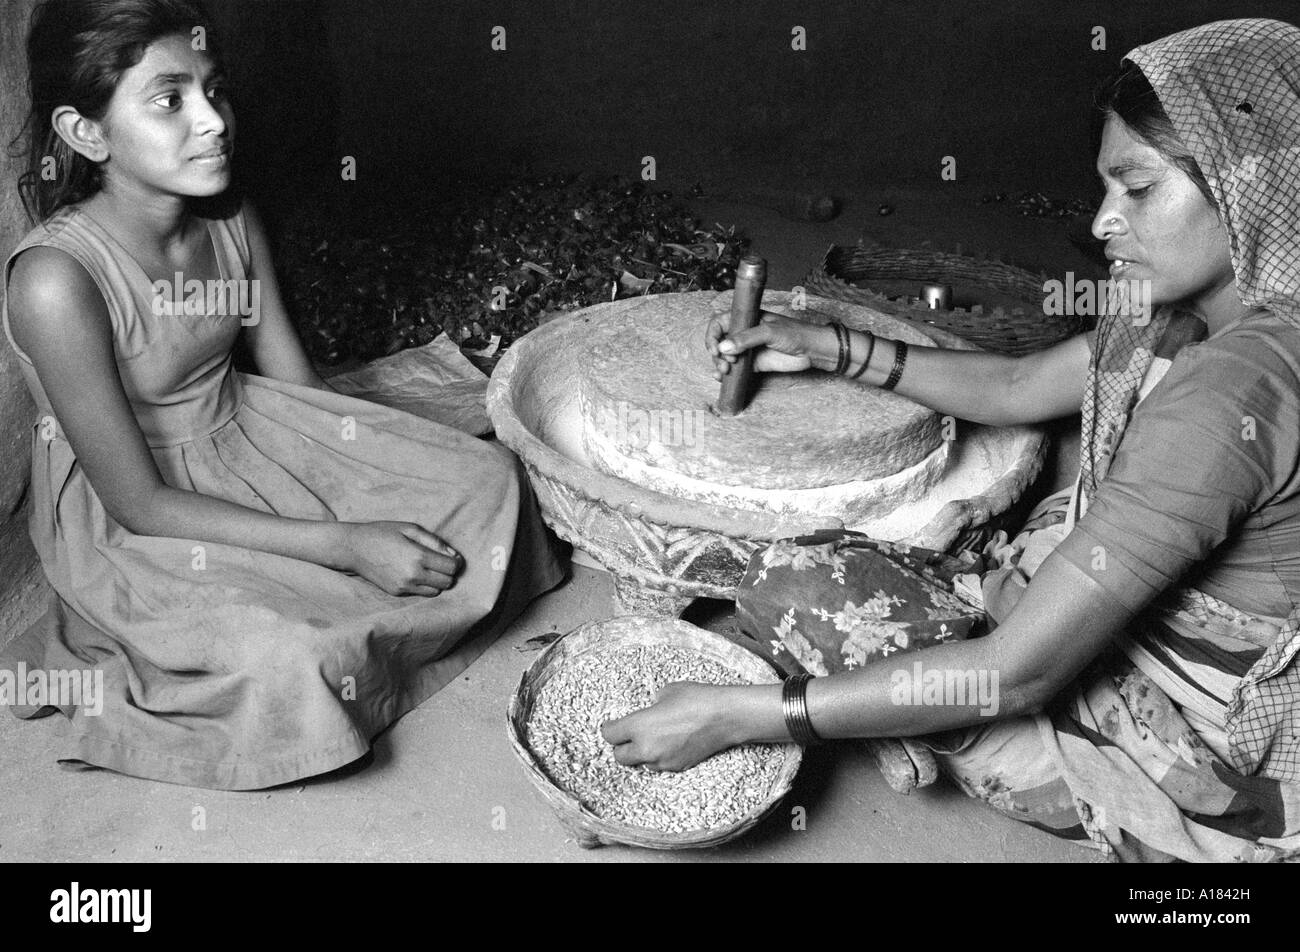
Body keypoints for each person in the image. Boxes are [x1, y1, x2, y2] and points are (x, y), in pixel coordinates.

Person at [603, 17, 1300, 862]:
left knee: (808, 592)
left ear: (1252, 187)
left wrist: (751, 714)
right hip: (1113, 620)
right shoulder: (1194, 311)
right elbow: (1014, 389)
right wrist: (827, 346)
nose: (1105, 222)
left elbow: (1016, 673)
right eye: (1107, 189)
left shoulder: (1237, 389)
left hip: (1195, 730)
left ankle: (1112, 800)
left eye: (1139, 189)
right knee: (894, 578)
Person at [1, 0, 567, 790]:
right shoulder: (55, 280)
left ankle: (373, 619)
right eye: (170, 100)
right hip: (145, 508)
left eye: (214, 88)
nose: (213, 120)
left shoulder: (229, 212)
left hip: (256, 422)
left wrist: (361, 478)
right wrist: (347, 542)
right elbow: (139, 504)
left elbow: (300, 389)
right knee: (292, 659)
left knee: (492, 482)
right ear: (86, 134)